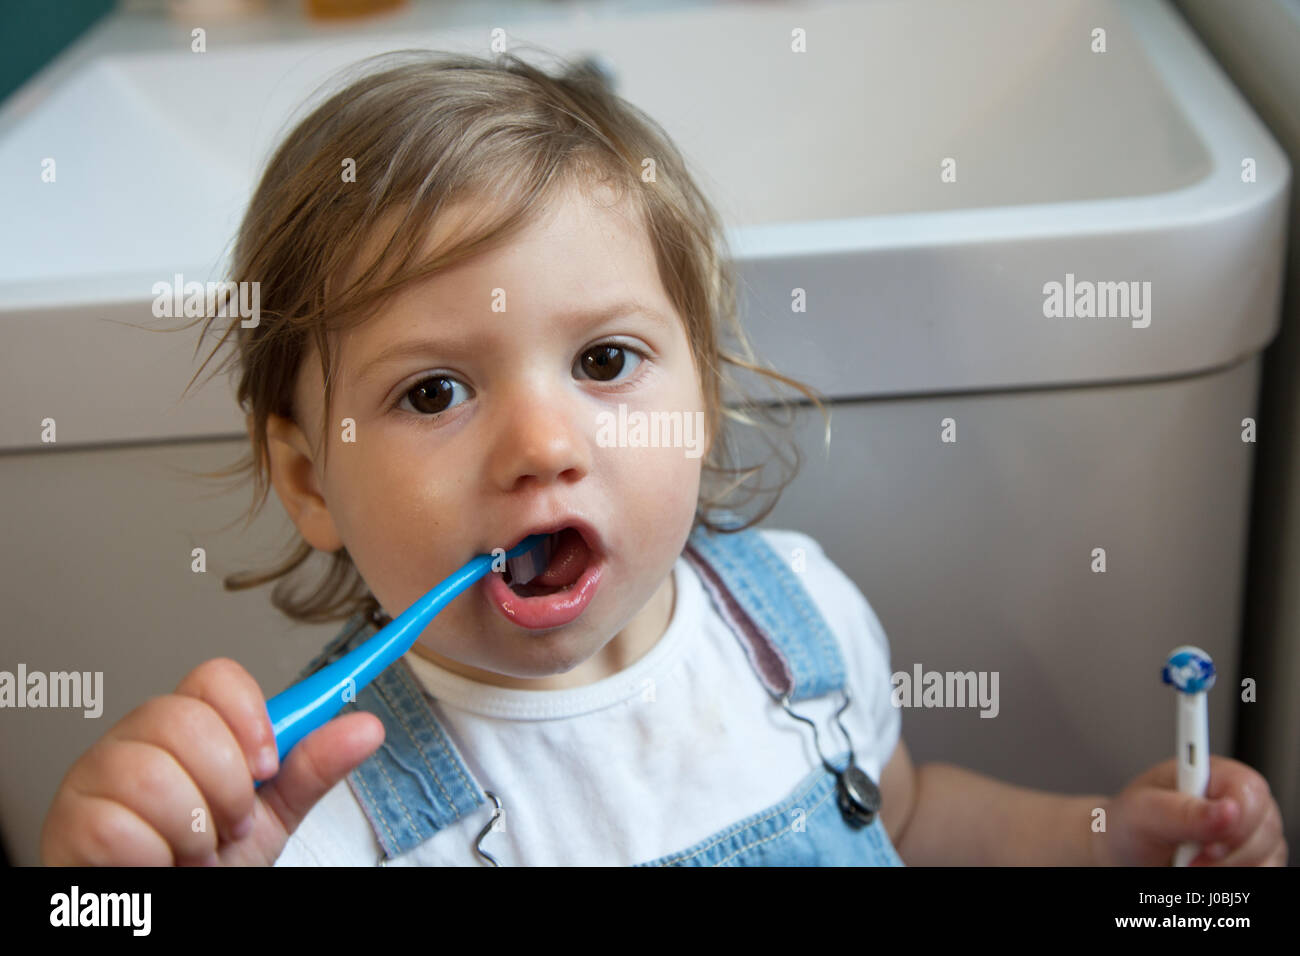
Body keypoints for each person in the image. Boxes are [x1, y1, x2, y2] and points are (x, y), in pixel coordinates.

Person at [40, 50, 1286, 867]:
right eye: (433, 390)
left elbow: (906, 814)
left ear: (699, 391)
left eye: (605, 363)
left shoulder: (795, 621)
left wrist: (1106, 833)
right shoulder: (320, 810)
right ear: (312, 479)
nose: (543, 444)